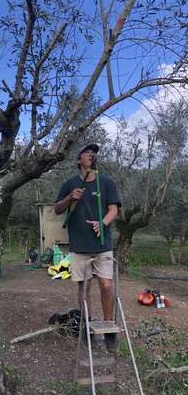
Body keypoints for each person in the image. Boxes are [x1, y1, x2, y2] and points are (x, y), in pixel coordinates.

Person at [54, 143, 122, 352]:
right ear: (78, 160)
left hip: (102, 245)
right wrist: (69, 198)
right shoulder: (69, 184)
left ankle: (109, 328)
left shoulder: (106, 183)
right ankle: (87, 328)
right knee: (84, 288)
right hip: (79, 245)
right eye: (87, 152)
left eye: (94, 153)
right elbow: (57, 209)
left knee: (106, 285)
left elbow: (114, 210)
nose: (92, 155)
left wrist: (103, 223)